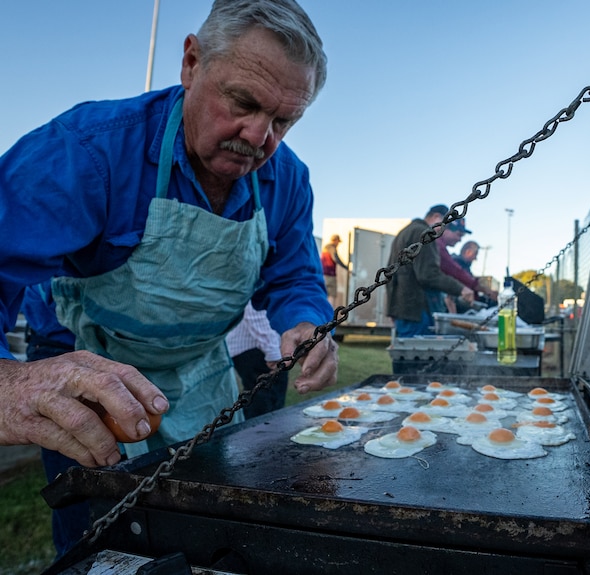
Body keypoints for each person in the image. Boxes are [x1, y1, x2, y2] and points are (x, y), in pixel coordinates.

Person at [0, 0, 338, 555]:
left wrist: (305, 320)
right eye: (243, 103)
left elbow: (293, 271)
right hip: (86, 365)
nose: (258, 138)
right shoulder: (90, 150)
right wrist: (9, 383)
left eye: (283, 121)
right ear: (191, 62)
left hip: (198, 373)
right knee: (103, 540)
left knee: (209, 528)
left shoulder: (288, 179)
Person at [386, 205, 474, 337]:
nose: (443, 232)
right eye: (445, 226)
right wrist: (461, 289)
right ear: (436, 217)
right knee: (416, 354)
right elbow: (428, 275)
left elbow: (390, 274)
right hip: (416, 311)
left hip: (405, 309)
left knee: (406, 353)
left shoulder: (407, 231)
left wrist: (393, 307)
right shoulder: (423, 232)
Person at [226, 302, 289, 420]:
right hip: (256, 349)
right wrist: (273, 352)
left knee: (266, 403)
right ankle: (261, 437)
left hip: (257, 348)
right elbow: (256, 312)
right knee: (263, 406)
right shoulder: (257, 283)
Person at [437, 222, 497, 312]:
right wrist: (484, 289)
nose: (459, 240)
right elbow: (457, 273)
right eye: (459, 235)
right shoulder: (450, 258)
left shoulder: (464, 266)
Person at [321, 234, 348, 308]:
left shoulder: (325, 248)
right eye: (338, 242)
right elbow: (336, 258)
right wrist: (346, 267)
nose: (338, 244)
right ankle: (329, 316)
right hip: (330, 275)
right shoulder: (332, 247)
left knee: (324, 294)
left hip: (323, 274)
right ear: (335, 241)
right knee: (331, 295)